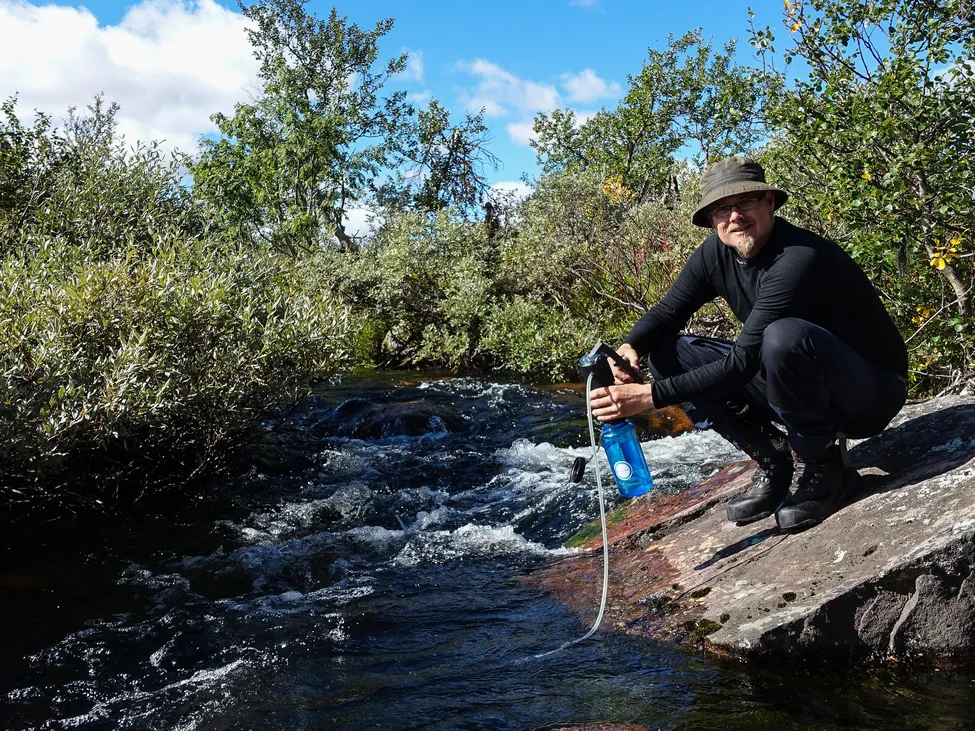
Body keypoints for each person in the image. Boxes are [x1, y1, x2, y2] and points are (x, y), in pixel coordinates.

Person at [588, 156, 908, 532]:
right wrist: (630, 347)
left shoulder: (799, 257)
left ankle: (823, 467)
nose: (735, 216)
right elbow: (668, 313)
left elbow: (742, 363)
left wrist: (649, 397)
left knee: (783, 337)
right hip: (802, 381)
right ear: (711, 219)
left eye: (746, 202)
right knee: (667, 353)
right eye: (722, 209)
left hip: (870, 392)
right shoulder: (715, 253)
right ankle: (774, 460)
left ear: (769, 202)